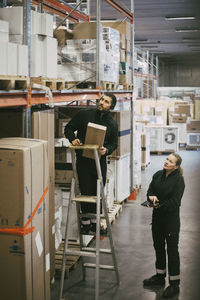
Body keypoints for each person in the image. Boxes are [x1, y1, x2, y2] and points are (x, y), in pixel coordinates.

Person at [64, 93, 118, 235]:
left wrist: (106, 150)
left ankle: (95, 223)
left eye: (106, 102)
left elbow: (114, 144)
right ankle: (85, 223)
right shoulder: (84, 114)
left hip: (99, 162)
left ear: (111, 106)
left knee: (97, 192)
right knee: (85, 191)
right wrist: (73, 139)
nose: (102, 103)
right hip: (83, 160)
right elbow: (68, 128)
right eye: (101, 100)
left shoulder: (112, 123)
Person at [143, 153, 185, 298]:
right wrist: (151, 196)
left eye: (170, 161)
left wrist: (158, 205)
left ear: (176, 166)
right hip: (157, 220)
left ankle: (174, 284)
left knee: (172, 251)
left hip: (171, 221)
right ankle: (159, 277)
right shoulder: (158, 174)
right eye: (167, 159)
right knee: (158, 247)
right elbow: (150, 190)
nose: (166, 162)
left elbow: (175, 202)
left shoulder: (179, 180)